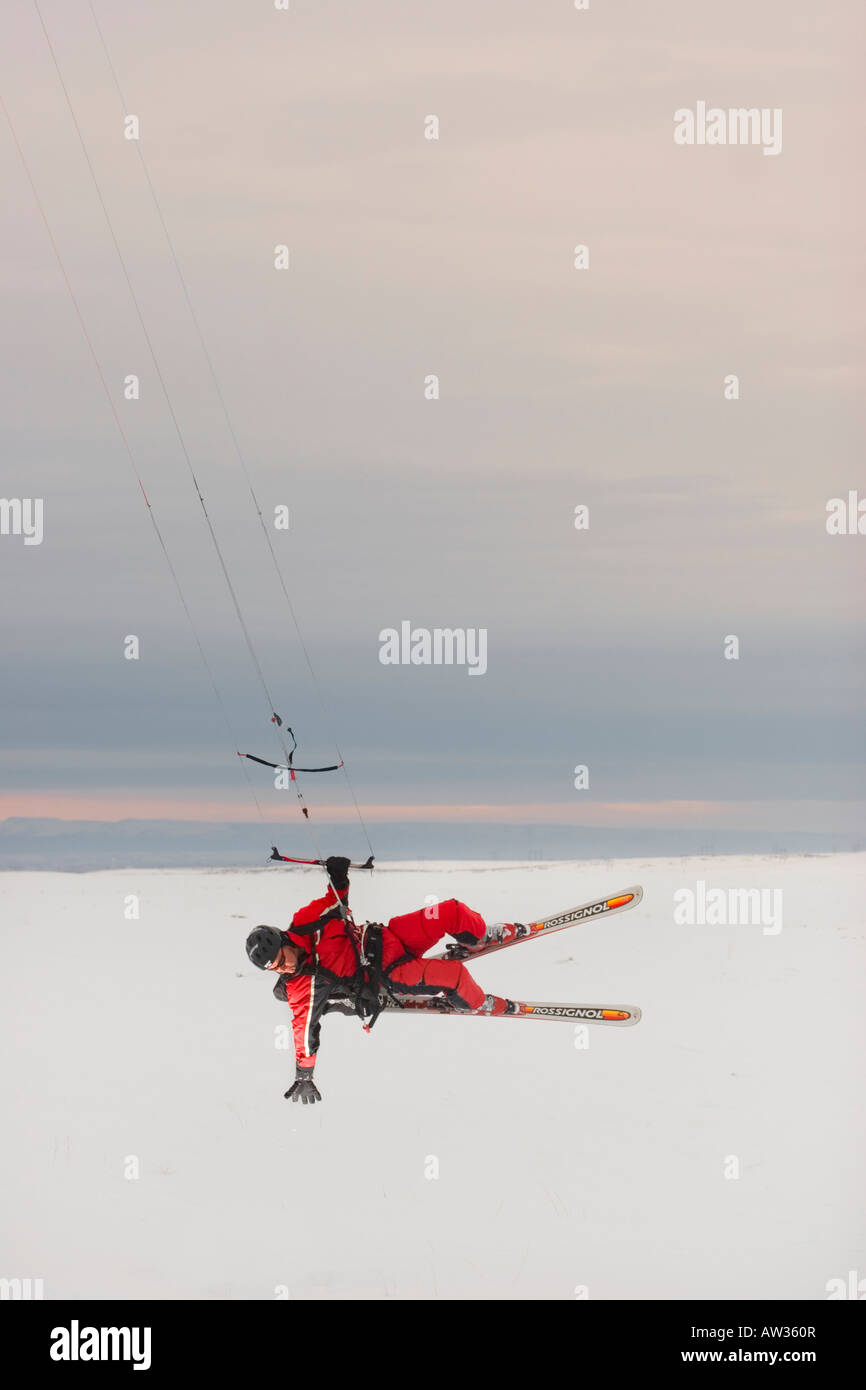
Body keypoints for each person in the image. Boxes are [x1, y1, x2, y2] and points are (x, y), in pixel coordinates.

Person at [245, 855, 526, 1104]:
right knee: (455, 976)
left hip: (387, 936)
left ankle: (480, 937)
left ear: (284, 939)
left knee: (450, 911)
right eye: (276, 969)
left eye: (282, 960)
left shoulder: (306, 921)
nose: (283, 968)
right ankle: (476, 1002)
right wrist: (304, 1075)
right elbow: (303, 1032)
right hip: (386, 973)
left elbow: (334, 901)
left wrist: (338, 876)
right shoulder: (303, 986)